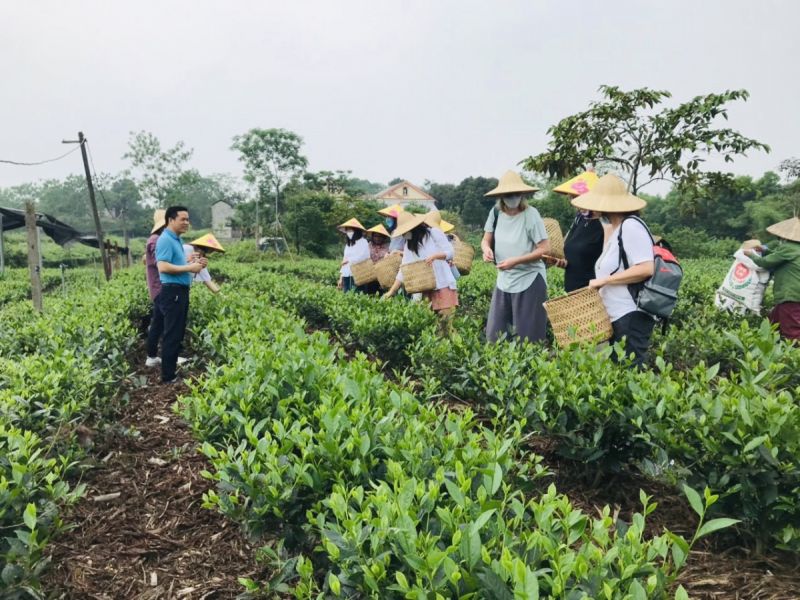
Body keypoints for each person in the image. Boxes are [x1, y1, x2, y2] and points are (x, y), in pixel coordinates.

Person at [574, 174, 656, 367]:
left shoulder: (631, 227)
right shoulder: (616, 229)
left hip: (630, 315)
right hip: (617, 316)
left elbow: (646, 268)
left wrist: (603, 281)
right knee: (617, 376)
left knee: (630, 376)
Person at [481, 170, 550, 343]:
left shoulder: (531, 214)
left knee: (529, 336)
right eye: (509, 194)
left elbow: (544, 248)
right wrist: (486, 249)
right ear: (501, 196)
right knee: (495, 334)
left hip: (530, 278)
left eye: (517, 194)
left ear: (522, 195)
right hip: (504, 278)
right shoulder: (495, 213)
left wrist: (516, 261)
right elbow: (485, 239)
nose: (513, 197)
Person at [155, 206, 206, 384]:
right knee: (172, 334)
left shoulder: (176, 239)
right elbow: (163, 267)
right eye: (183, 219)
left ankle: (171, 372)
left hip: (180, 291)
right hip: (173, 291)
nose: (187, 223)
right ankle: (168, 376)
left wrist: (193, 262)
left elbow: (175, 263)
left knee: (177, 333)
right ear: (170, 220)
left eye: (187, 219)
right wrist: (189, 268)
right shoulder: (165, 240)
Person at [382, 211, 458, 325]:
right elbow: (404, 268)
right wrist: (391, 291)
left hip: (443, 284)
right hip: (425, 287)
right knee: (429, 325)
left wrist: (436, 256)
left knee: (445, 323)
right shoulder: (409, 245)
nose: (404, 235)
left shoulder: (434, 233)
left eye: (405, 231)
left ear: (414, 228)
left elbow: (451, 252)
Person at [545, 170, 608, 292]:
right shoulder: (579, 219)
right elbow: (574, 252)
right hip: (573, 288)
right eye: (571, 197)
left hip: (593, 290)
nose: (572, 201)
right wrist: (564, 262)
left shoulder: (605, 225)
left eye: (575, 197)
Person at [746, 216, 800, 340]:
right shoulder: (794, 249)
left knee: (792, 334)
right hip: (790, 297)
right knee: (770, 325)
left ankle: (794, 357)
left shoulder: (789, 248)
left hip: (791, 296)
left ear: (784, 236)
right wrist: (765, 250)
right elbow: (778, 256)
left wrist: (750, 255)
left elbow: (765, 263)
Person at [715, 239, 771, 314]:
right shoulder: (760, 263)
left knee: (727, 307)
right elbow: (763, 275)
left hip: (727, 294)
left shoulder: (740, 257)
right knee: (744, 312)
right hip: (747, 302)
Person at [144, 209, 166, 368]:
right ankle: (170, 355)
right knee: (168, 324)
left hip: (158, 289)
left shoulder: (157, 239)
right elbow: (163, 264)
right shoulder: (156, 240)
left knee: (158, 322)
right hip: (161, 289)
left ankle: (151, 356)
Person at [337, 218, 370, 292]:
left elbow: (364, 257)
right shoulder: (348, 244)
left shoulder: (363, 242)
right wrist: (341, 278)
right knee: (346, 295)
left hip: (358, 274)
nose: (349, 232)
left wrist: (349, 260)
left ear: (356, 231)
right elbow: (344, 260)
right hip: (347, 275)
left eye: (350, 230)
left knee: (357, 295)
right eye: (347, 230)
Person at [364, 224, 391, 294]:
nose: (377, 238)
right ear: (372, 236)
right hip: (370, 275)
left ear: (384, 237)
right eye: (375, 236)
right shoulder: (369, 245)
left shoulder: (388, 246)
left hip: (383, 275)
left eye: (380, 236)